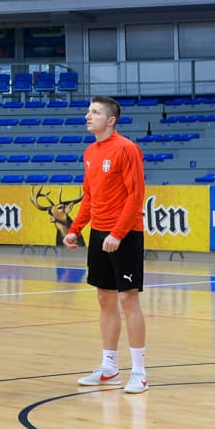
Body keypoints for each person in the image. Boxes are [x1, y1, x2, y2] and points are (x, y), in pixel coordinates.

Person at [64, 96, 148, 395]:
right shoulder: (90, 152)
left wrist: (118, 233)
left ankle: (139, 372)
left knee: (129, 300)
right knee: (104, 299)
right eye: (88, 111)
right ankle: (109, 368)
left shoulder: (126, 149)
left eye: (95, 112)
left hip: (124, 235)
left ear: (111, 120)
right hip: (99, 234)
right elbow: (89, 196)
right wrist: (75, 229)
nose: (89, 115)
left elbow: (135, 196)